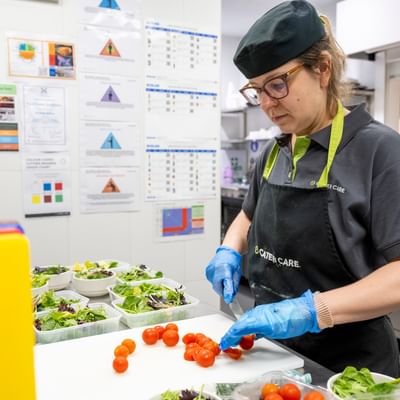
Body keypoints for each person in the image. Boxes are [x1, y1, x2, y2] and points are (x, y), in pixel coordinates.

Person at [206, 0, 400, 375]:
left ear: (323, 69)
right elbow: (247, 216)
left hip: (352, 368)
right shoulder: (274, 151)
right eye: (257, 90)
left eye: (277, 85)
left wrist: (313, 310)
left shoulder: (380, 151)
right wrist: (228, 250)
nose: (266, 104)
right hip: (276, 355)